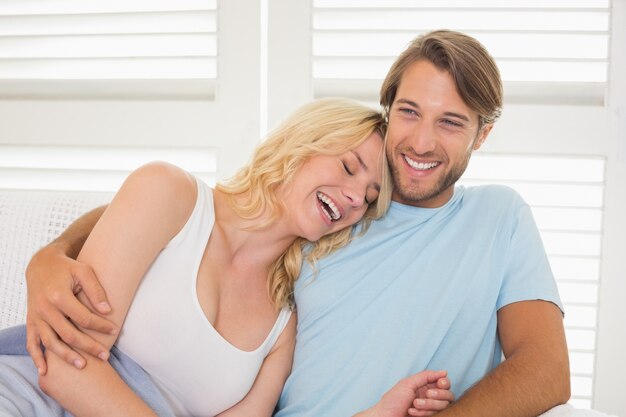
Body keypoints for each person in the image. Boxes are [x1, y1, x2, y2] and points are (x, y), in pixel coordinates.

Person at [23, 30, 570, 417]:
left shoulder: (495, 218)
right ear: (387, 110)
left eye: (451, 123)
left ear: (482, 134)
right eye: (409, 112)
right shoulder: (318, 219)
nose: (423, 142)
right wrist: (54, 253)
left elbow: (547, 371)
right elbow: (201, 209)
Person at [1, 98, 454, 417]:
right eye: (348, 166)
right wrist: (51, 253)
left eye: (370, 197)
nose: (355, 196)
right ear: (301, 145)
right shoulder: (170, 194)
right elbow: (62, 366)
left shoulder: (284, 323)